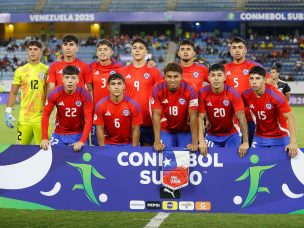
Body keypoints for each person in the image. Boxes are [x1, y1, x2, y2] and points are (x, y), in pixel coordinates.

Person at [224, 37, 274, 146]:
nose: (237, 50)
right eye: (234, 48)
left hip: (251, 116)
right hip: (230, 118)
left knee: (250, 149)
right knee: (233, 151)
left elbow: (270, 83)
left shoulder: (255, 66)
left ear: (245, 50)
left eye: (240, 47)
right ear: (230, 50)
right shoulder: (224, 69)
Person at [242, 66, 297, 158]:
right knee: (254, 162)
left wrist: (293, 143)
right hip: (259, 137)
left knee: (280, 169)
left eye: (258, 78)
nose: (254, 81)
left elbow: (290, 117)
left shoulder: (276, 95)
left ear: (264, 80)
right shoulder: (246, 95)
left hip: (280, 136)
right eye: (251, 78)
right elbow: (237, 111)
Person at [118, 38, 162, 146]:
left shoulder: (154, 71)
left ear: (146, 52)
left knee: (148, 156)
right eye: (134, 48)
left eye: (141, 48)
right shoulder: (122, 71)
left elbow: (161, 95)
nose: (137, 50)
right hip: (128, 121)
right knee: (128, 155)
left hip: (149, 122)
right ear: (131, 51)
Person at [198, 64, 249, 157]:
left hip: (232, 134)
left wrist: (245, 142)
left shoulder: (233, 93)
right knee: (210, 164)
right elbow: (200, 118)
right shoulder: (202, 92)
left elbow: (242, 118)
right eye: (213, 75)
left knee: (231, 162)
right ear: (208, 78)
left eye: (219, 75)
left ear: (225, 77)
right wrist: (201, 141)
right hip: (211, 135)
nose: (216, 78)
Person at [40, 65, 93, 152]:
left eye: (73, 78)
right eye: (67, 77)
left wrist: (82, 141)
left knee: (82, 158)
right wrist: (44, 138)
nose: (70, 81)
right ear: (62, 79)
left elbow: (89, 119)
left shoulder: (85, 94)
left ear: (78, 80)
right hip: (59, 133)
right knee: (51, 154)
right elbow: (46, 115)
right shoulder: (55, 93)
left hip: (79, 133)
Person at [5, 40, 48, 144]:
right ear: (27, 51)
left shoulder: (47, 70)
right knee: (20, 151)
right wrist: (8, 111)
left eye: (36, 49)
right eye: (30, 49)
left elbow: (51, 94)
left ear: (41, 51)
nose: (32, 52)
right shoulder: (20, 70)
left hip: (42, 119)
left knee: (45, 152)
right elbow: (13, 93)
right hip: (24, 118)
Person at [151, 62, 198, 152]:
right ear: (164, 77)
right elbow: (156, 115)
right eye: (169, 77)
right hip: (166, 129)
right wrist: (156, 141)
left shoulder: (190, 88)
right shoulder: (157, 88)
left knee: (187, 153)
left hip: (185, 130)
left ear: (181, 77)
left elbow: (193, 116)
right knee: (164, 151)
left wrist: (195, 141)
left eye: (176, 77)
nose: (172, 80)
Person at [94, 73, 142, 146]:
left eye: (119, 84)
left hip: (128, 144)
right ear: (108, 87)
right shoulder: (100, 105)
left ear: (124, 86)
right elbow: (99, 128)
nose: (116, 87)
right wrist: (102, 149)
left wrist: (134, 149)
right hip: (108, 144)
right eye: (113, 84)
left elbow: (136, 129)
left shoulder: (134, 105)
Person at [90, 39, 122, 145]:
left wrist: (149, 64)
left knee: (116, 145)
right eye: (99, 50)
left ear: (111, 52)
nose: (102, 52)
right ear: (96, 53)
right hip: (97, 115)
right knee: (98, 147)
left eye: (105, 49)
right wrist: (61, 60)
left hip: (116, 113)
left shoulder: (119, 68)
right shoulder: (90, 67)